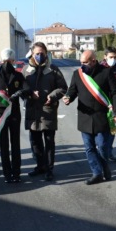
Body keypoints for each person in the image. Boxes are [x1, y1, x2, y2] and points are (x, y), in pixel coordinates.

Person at [63, 50, 116, 185]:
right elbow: (72, 90)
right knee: (89, 148)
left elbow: (115, 93)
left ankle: (104, 166)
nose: (82, 65)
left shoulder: (106, 72)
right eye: (81, 62)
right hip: (85, 117)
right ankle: (97, 173)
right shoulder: (77, 74)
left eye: (85, 62)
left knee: (102, 147)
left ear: (94, 61)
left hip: (102, 117)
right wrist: (68, 98)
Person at [21, 42, 68, 181]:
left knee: (49, 142)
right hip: (32, 111)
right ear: (32, 53)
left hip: (48, 110)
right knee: (35, 142)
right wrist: (29, 94)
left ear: (46, 53)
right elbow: (21, 90)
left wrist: (52, 96)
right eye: (37, 53)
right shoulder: (26, 70)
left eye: (42, 53)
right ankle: (39, 166)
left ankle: (49, 169)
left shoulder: (53, 69)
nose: (39, 56)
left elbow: (62, 88)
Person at [0, 48, 28, 183]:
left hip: (14, 112)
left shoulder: (18, 75)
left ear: (14, 61)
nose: (7, 64)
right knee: (4, 145)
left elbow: (26, 89)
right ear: (1, 61)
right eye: (5, 61)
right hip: (0, 113)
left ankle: (17, 173)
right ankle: (7, 174)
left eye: (9, 61)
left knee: (15, 144)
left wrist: (19, 93)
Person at [100, 46, 116, 162]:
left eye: (115, 57)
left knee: (113, 129)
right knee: (102, 130)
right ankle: (102, 152)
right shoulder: (99, 69)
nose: (113, 59)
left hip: (115, 103)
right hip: (102, 103)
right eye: (111, 57)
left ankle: (109, 152)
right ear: (105, 57)